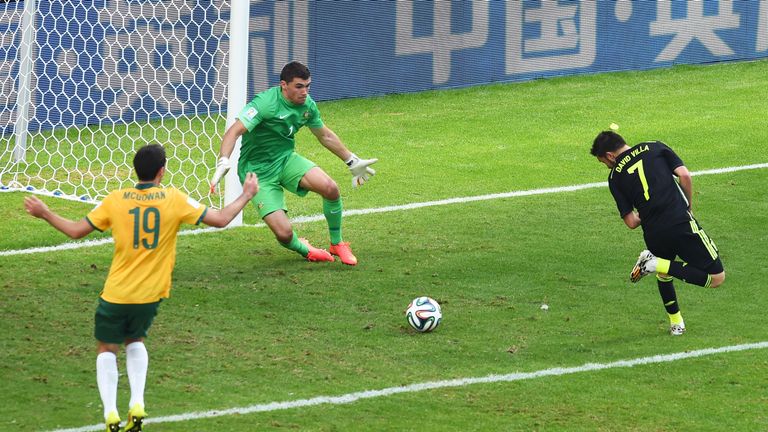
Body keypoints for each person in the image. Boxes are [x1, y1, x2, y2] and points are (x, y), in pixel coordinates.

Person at [24, 144, 259, 432]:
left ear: (136, 170)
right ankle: (137, 402)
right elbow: (222, 220)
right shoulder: (174, 200)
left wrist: (45, 213)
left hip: (116, 294)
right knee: (135, 341)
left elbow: (75, 231)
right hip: (150, 296)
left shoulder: (115, 200)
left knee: (106, 348)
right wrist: (246, 195)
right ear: (162, 171)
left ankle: (111, 413)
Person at [209, 61, 377, 266]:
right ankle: (305, 248)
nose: (305, 92)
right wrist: (224, 159)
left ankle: (337, 243)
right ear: (284, 85)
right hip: (257, 173)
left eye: (308, 86)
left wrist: (351, 160)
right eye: (299, 86)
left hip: (286, 159)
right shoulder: (265, 103)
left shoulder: (308, 105)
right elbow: (234, 131)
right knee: (284, 234)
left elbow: (325, 135)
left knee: (330, 188)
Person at [590, 125, 725, 336]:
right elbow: (684, 175)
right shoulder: (654, 147)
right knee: (716, 278)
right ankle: (652, 262)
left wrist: (647, 210)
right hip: (680, 222)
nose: (607, 166)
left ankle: (676, 322)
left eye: (604, 163)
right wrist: (688, 205)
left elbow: (632, 222)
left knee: (665, 272)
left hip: (653, 231)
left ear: (609, 155)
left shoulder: (614, 178)